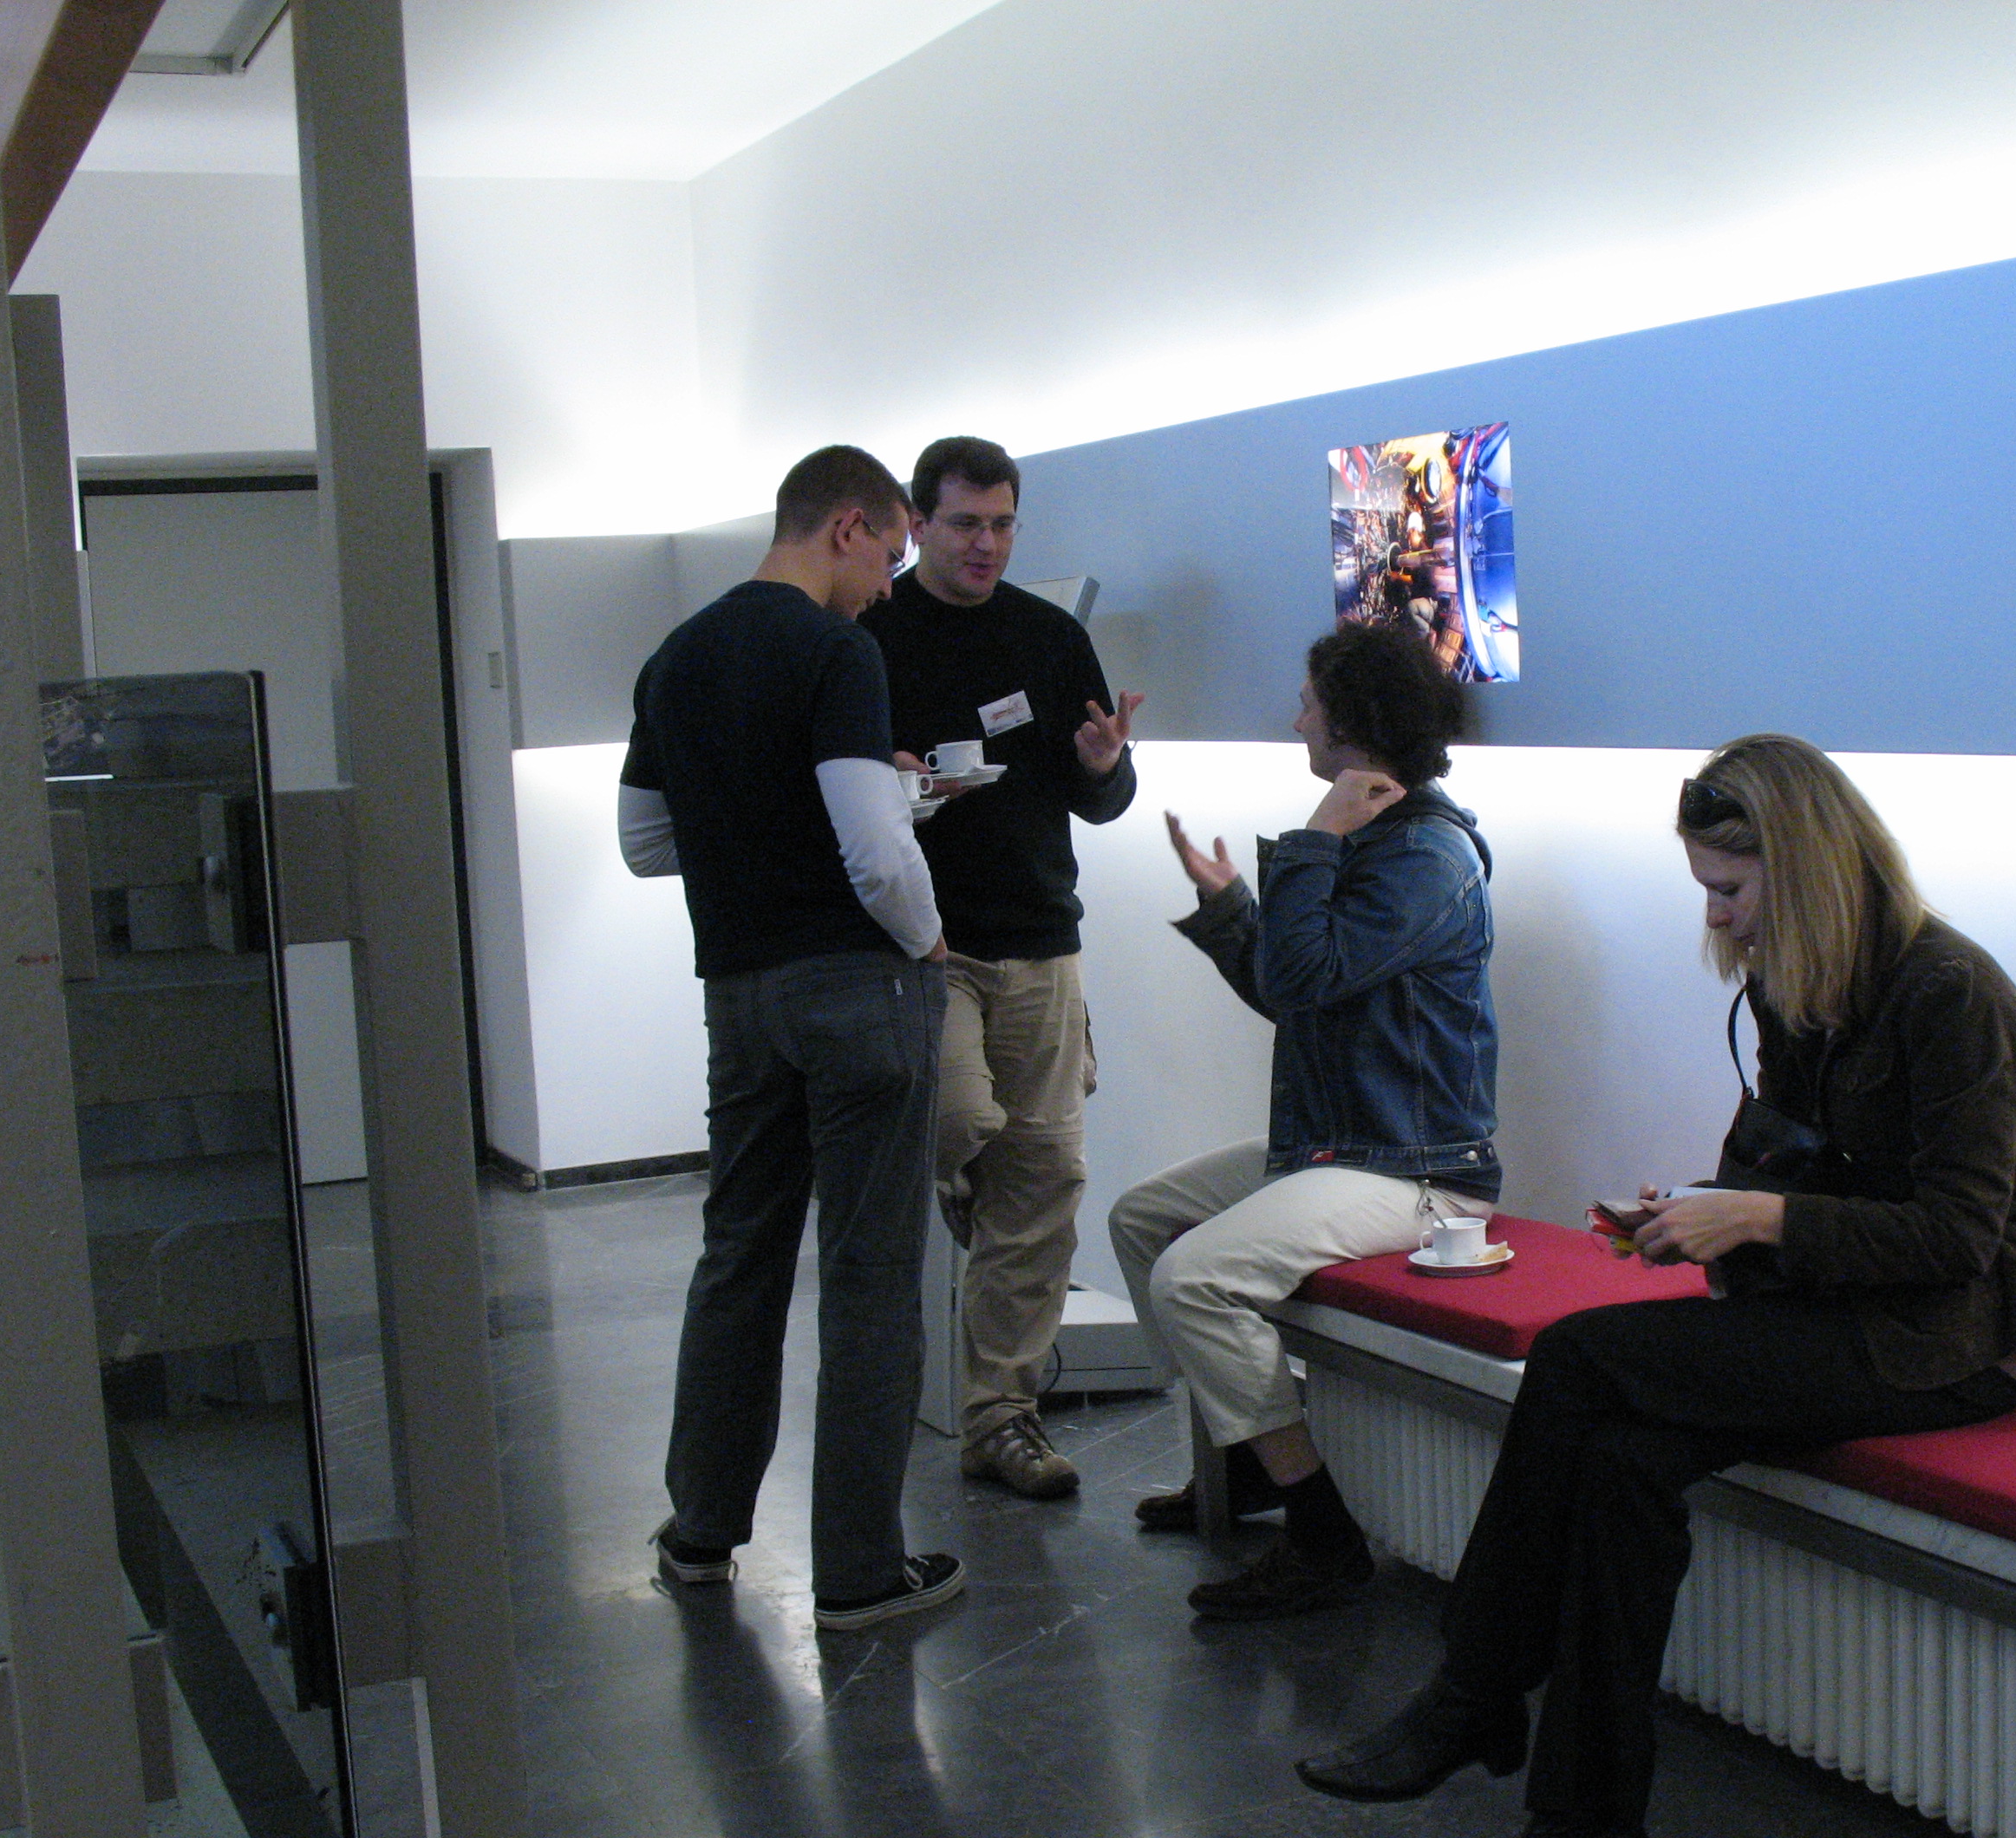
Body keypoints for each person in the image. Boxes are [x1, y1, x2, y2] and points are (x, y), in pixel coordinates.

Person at [1295, 733, 2016, 1838]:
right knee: (1618, 1466)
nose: (1716, 916)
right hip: (1843, 1315)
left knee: (1575, 1357)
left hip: (1951, 1346)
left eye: (1731, 888)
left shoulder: (1954, 995)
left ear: (1805, 870)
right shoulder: (1804, 988)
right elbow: (1789, 1169)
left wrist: (1754, 1219)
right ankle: (1586, 1829)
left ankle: (1474, 1693)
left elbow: (1956, 1240)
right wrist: (1700, 1217)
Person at [619, 444, 964, 1632]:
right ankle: (859, 1571)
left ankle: (700, 1531)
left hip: (740, 996)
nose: (887, 584)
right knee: (870, 1274)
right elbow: (874, 853)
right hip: (860, 993)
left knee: (741, 1255)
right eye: (891, 555)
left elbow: (646, 845)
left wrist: (755, 838)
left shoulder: (676, 656)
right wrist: (927, 941)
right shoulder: (836, 651)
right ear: (848, 526)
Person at [1111, 624, 1499, 1620]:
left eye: (1309, 703)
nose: (1296, 721)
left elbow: (1301, 975)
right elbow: (1296, 993)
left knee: (1192, 1278)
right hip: (1343, 1151)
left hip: (1416, 1174)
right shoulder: (1374, 843)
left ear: (1353, 720)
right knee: (1144, 1220)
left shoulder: (1426, 855)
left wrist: (1314, 841)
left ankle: (1321, 1534)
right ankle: (1247, 1458)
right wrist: (1231, 909)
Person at [859, 436, 1143, 1502]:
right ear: (918, 524)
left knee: (1046, 1177)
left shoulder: (1049, 636)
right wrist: (899, 790)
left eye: (1004, 524)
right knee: (960, 1128)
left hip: (1040, 941)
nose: (987, 543)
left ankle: (1000, 1417)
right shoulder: (869, 636)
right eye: (967, 523)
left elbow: (1098, 797)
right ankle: (978, 1224)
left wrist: (1104, 769)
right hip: (920, 946)